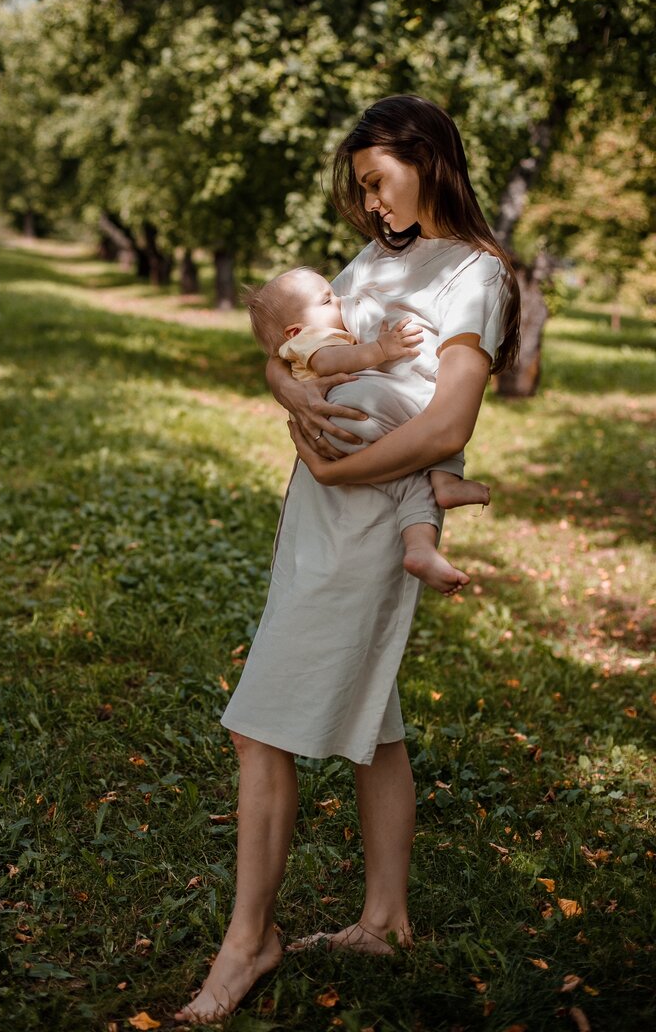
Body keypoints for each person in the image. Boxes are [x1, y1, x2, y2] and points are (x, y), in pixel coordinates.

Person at [174, 95, 520, 1025]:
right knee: (379, 722)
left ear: (427, 156)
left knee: (259, 728)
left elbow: (449, 423)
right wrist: (288, 391)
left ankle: (249, 941)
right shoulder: (376, 261)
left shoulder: (476, 275)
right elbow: (293, 351)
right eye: (361, 190)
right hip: (318, 511)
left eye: (379, 181)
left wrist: (338, 467)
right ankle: (384, 919)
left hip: (367, 506)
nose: (370, 205)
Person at [245, 265, 492, 595]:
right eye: (327, 300)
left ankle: (420, 547)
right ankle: (447, 477)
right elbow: (328, 363)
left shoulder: (301, 341)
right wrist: (381, 349)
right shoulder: (310, 341)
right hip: (352, 409)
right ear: (294, 331)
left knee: (408, 485)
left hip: (336, 436)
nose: (340, 301)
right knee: (434, 407)